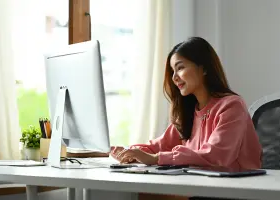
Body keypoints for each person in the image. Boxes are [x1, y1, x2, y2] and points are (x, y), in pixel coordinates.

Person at [110, 37, 262, 171]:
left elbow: (217, 155)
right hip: (198, 187)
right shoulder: (189, 112)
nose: (174, 78)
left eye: (180, 67)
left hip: (234, 190)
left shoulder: (232, 106)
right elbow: (156, 146)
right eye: (172, 71)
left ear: (203, 68)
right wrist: (127, 151)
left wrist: (156, 158)